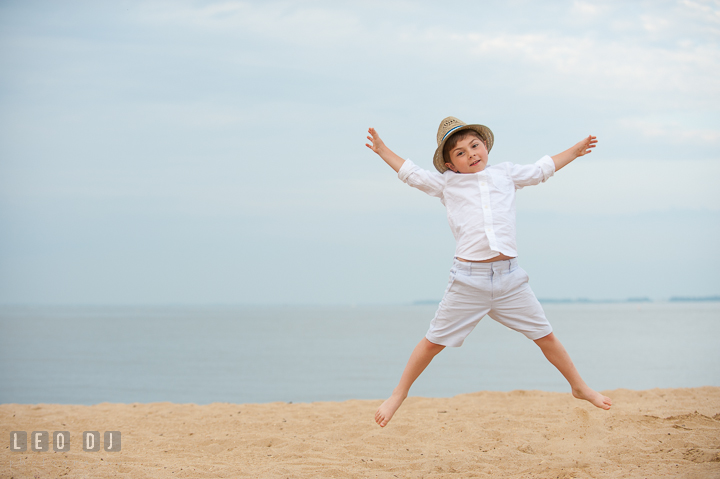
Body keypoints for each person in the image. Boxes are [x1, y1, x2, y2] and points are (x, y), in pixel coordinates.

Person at [365, 116, 612, 428]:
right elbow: (411, 174)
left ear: (485, 146)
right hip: (469, 281)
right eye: (460, 152)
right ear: (450, 165)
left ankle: (579, 386)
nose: (470, 154)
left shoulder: (505, 173)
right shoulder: (447, 184)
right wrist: (383, 150)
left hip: (511, 280)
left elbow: (541, 170)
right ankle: (398, 394)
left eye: (474, 145)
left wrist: (574, 152)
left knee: (546, 336)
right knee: (432, 342)